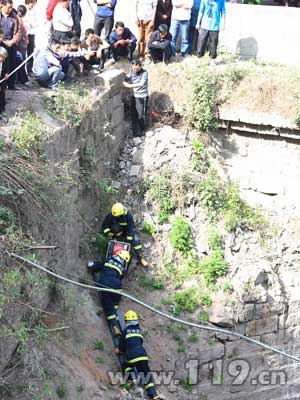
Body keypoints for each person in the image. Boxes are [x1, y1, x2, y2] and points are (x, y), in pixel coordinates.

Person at [115, 310, 161, 400]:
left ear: (126, 321)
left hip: (131, 355)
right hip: (143, 355)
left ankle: (130, 379)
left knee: (126, 365)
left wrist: (118, 350)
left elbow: (122, 347)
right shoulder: (139, 331)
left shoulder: (125, 332)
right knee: (145, 373)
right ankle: (154, 394)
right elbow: (139, 342)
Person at [89, 250, 131, 336]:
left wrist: (91, 265)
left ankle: (115, 326)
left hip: (105, 284)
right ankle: (115, 309)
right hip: (117, 287)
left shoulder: (108, 260)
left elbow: (98, 266)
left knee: (108, 306)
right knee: (115, 301)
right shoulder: (122, 268)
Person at [102, 202, 149, 267]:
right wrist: (108, 232)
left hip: (127, 231)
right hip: (117, 232)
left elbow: (130, 228)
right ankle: (117, 242)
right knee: (116, 228)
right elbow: (105, 225)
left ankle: (140, 257)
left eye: (117, 216)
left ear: (121, 214)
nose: (115, 217)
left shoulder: (128, 216)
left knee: (136, 241)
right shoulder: (112, 214)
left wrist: (128, 241)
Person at [123, 60, 148, 138]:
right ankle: (136, 133)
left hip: (142, 97)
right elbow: (125, 79)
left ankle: (143, 129)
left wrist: (129, 86)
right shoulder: (132, 72)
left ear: (140, 66)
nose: (135, 70)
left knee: (141, 116)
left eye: (136, 69)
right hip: (134, 96)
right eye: (134, 68)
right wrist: (124, 81)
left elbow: (141, 83)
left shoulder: (144, 73)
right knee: (133, 115)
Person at [196, 0, 225, 65]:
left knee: (213, 45)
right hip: (204, 26)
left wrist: (223, 24)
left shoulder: (221, 1)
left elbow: (223, 12)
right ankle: (199, 60)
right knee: (201, 44)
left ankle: (212, 61)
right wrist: (198, 23)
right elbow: (201, 11)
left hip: (215, 26)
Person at [0, 0, 20, 90]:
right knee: (3, 65)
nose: (10, 9)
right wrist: (2, 41)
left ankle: (11, 84)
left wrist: (12, 41)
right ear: (3, 5)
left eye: (11, 7)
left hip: (11, 44)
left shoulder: (14, 17)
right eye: (8, 7)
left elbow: (18, 32)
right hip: (1, 43)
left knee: (12, 63)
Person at [16, 5, 29, 86]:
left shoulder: (19, 20)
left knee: (21, 61)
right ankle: (20, 80)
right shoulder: (19, 21)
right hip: (20, 45)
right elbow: (19, 35)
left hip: (22, 44)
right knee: (20, 62)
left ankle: (20, 79)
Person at [24, 0, 38, 75]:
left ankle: (29, 70)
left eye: (33, 3)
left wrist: (31, 24)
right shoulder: (23, 9)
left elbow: (36, 22)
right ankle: (22, 71)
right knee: (23, 53)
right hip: (24, 34)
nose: (32, 5)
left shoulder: (34, 11)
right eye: (31, 3)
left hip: (32, 33)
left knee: (30, 52)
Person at [0, 46, 8, 119]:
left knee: (2, 93)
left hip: (1, 79)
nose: (3, 59)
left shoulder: (4, 62)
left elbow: (6, 68)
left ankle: (2, 110)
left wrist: (6, 73)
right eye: (2, 57)